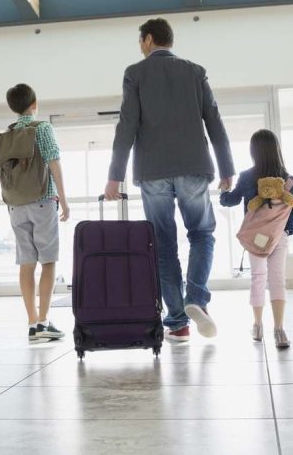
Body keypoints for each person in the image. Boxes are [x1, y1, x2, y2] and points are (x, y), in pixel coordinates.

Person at [104, 18, 235, 343]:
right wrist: (227, 168)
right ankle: (196, 298)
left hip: (152, 171)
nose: (140, 47)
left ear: (148, 39)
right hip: (193, 166)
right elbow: (214, 121)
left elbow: (126, 125)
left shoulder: (135, 73)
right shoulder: (195, 71)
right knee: (201, 234)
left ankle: (178, 323)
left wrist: (114, 176)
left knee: (163, 244)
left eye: (140, 41)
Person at [220, 129, 293, 349]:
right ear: (276, 150)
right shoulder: (287, 179)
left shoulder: (247, 177)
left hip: (256, 237)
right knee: (277, 280)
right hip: (280, 234)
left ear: (253, 152)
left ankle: (258, 326)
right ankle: (279, 330)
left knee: (258, 278)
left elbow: (230, 201)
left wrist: (223, 190)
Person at [0, 84, 70, 342]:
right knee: (48, 261)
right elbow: (53, 162)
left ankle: (31, 323)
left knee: (26, 263)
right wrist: (63, 199)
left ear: (13, 108)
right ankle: (43, 321)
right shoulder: (43, 128)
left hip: (16, 206)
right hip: (42, 201)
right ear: (34, 104)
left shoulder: (7, 135)